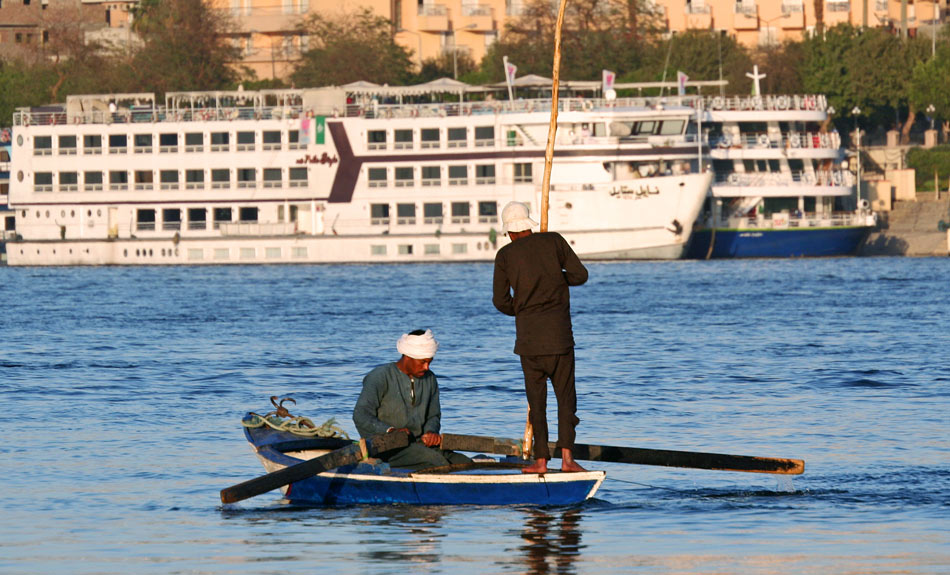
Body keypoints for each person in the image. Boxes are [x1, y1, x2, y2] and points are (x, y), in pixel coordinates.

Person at [492, 202, 589, 474]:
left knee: (538, 405)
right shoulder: (554, 241)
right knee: (566, 400)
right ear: (529, 225)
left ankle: (541, 460)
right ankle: (568, 460)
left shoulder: (505, 256)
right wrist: (557, 281)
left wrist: (521, 308)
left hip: (529, 341)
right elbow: (580, 275)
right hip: (560, 338)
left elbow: (500, 301)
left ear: (509, 232)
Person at [353, 329, 471, 471]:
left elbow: (433, 415)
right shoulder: (379, 376)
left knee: (466, 463)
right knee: (435, 461)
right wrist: (390, 431)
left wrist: (431, 432)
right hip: (386, 448)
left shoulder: (430, 378)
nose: (426, 367)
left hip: (419, 445)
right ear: (408, 357)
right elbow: (361, 415)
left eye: (429, 362)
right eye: (422, 362)